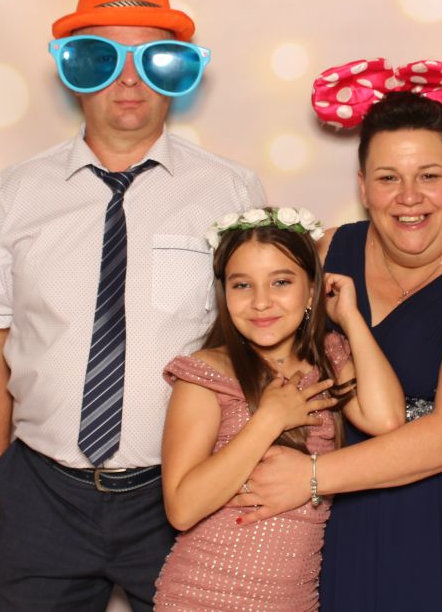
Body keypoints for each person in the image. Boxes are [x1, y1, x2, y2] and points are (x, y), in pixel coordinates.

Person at [0, 0, 265, 611]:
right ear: (73, 69)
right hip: (42, 494)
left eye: (154, 60)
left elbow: (263, 338)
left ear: (179, 72)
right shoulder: (18, 191)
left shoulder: (231, 191)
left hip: (179, 492)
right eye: (102, 57)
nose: (129, 79)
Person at [230, 59, 442, 610]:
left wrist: (311, 476)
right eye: (388, 178)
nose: (409, 196)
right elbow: (250, 338)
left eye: (429, 176)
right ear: (363, 187)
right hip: (341, 516)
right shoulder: (326, 252)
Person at [153, 207, 405, 610]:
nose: (261, 302)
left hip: (292, 600)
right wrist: (268, 419)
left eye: (281, 282)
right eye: (242, 285)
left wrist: (349, 318)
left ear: (311, 291)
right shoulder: (205, 374)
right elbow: (182, 509)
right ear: (224, 293)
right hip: (203, 595)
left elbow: (387, 419)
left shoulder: (329, 357)